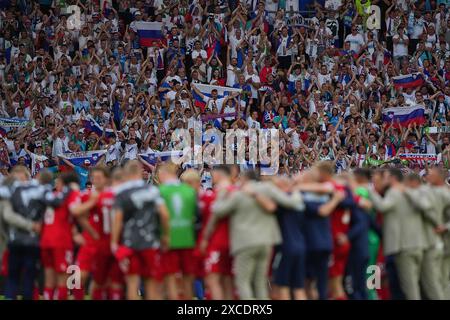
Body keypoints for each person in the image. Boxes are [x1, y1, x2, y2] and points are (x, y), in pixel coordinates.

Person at [111, 160, 170, 300]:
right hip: (151, 242)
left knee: (132, 284)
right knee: (152, 284)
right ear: (140, 172)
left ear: (126, 173)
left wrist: (113, 242)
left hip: (130, 242)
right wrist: (166, 236)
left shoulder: (121, 192)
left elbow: (117, 219)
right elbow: (165, 215)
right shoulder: (152, 190)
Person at [370, 169, 427, 300]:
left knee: (395, 282)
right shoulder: (382, 194)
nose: (374, 180)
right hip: (378, 244)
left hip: (393, 245)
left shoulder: (393, 194)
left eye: (379, 178)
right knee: (374, 278)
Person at [157, 162, 198, 300]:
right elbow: (195, 216)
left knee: (171, 278)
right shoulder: (189, 191)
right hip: (187, 238)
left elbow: (162, 215)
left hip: (169, 240)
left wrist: (165, 235)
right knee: (187, 279)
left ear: (163, 174)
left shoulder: (160, 191)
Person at [40, 171, 83, 300]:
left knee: (49, 280)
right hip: (61, 241)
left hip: (45, 240)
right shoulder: (71, 195)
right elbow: (75, 211)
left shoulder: (52, 196)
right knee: (62, 281)